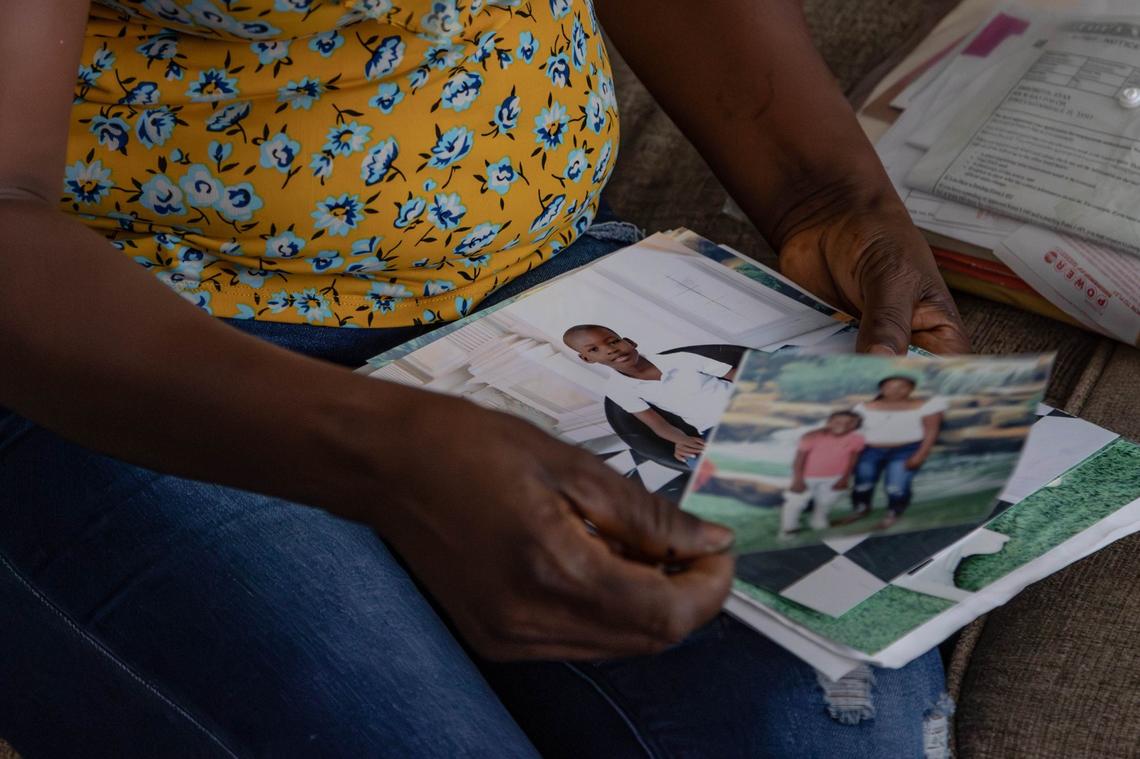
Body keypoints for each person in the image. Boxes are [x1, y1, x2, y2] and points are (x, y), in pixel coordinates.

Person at [0, 1, 969, 756]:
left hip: (546, 275)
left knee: (825, 725)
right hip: (120, 339)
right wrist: (376, 447)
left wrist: (827, 195)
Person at [563, 324, 736, 465]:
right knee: (698, 463)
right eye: (594, 349)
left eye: (614, 341)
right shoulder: (617, 389)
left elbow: (737, 376)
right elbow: (657, 425)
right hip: (714, 428)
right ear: (587, 359)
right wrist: (681, 440)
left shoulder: (681, 359)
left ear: (630, 342)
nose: (610, 350)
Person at [842, 375, 948, 530]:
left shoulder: (925, 406)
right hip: (869, 450)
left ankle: (894, 513)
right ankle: (861, 509)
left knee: (896, 485)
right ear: (882, 389)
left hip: (906, 449)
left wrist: (920, 455)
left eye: (902, 387)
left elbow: (932, 432)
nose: (896, 390)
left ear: (911, 389)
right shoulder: (863, 407)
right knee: (863, 482)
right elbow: (853, 432)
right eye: (890, 386)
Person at [781, 410, 865, 536]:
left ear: (855, 425)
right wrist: (798, 480)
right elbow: (799, 460)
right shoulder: (811, 437)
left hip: (836, 476)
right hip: (807, 476)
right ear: (828, 422)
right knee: (796, 501)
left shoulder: (857, 439)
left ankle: (818, 520)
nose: (843, 425)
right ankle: (789, 527)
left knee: (826, 501)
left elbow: (853, 459)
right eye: (837, 422)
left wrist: (845, 478)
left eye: (850, 423)